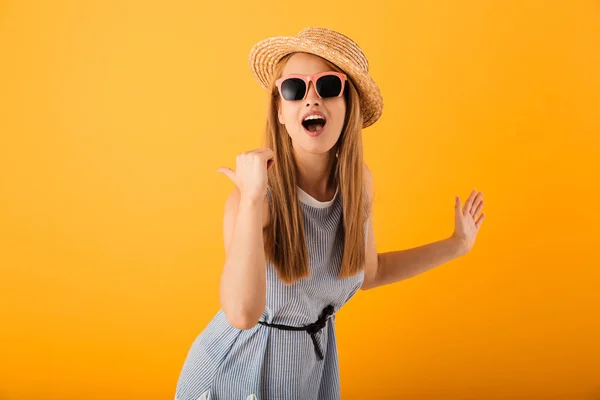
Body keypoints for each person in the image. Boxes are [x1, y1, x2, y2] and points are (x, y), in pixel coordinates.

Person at [174, 27, 485, 400]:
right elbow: (241, 315)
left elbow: (371, 272)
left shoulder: (357, 184)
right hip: (237, 375)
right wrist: (254, 198)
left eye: (327, 86)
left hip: (308, 371)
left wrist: (457, 245)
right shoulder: (255, 199)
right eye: (294, 89)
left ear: (348, 105)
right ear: (280, 110)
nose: (311, 100)